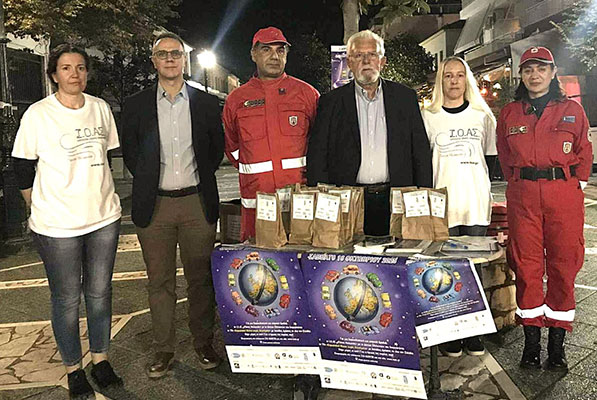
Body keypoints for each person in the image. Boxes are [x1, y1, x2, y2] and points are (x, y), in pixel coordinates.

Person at [12, 44, 123, 399]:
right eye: (65, 68)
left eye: (80, 67)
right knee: (66, 298)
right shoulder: (38, 114)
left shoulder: (100, 108)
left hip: (103, 217)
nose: (74, 74)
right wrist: (36, 205)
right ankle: (74, 369)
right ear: (54, 74)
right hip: (57, 225)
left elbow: (107, 157)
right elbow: (21, 167)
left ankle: (100, 360)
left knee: (100, 293)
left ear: (87, 72)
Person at [121, 32, 224, 378]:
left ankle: (203, 343)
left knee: (200, 279)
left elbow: (215, 150)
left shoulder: (205, 103)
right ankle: (163, 349)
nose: (169, 59)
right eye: (163, 54)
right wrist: (151, 179)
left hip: (196, 203)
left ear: (184, 60)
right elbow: (132, 154)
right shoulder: (135, 105)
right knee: (159, 281)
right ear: (154, 61)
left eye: (176, 53)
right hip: (156, 206)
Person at [496, 46, 592, 371]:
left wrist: (575, 186)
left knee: (564, 265)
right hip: (523, 196)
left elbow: (584, 151)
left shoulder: (572, 110)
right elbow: (504, 154)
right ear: (521, 76)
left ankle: (557, 345)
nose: (534, 75)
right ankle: (531, 345)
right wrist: (518, 182)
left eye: (541, 69)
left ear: (552, 73)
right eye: (528, 70)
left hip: (562, 195)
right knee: (526, 267)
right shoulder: (510, 113)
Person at [306, 30, 432, 236]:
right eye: (358, 55)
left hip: (397, 199)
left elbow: (420, 151)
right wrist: (322, 198)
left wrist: (424, 194)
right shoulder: (330, 102)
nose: (366, 61)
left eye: (372, 54)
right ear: (349, 62)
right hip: (348, 201)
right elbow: (317, 155)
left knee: (397, 254)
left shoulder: (405, 98)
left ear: (382, 61)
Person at [421, 56, 497, 357]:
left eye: (459, 75)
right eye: (448, 75)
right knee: (445, 271)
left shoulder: (482, 116)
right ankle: (451, 333)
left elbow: (490, 160)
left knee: (474, 270)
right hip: (444, 206)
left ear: (468, 80)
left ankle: (474, 333)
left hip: (475, 202)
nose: (454, 81)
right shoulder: (429, 116)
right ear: (440, 80)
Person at [223, 26, 319, 241]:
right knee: (259, 258)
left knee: (302, 253)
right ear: (253, 54)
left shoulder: (307, 94)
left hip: (300, 200)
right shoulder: (237, 99)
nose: (275, 56)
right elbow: (233, 148)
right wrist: (255, 172)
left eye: (280, 50)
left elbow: (319, 144)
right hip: (258, 200)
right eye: (266, 49)